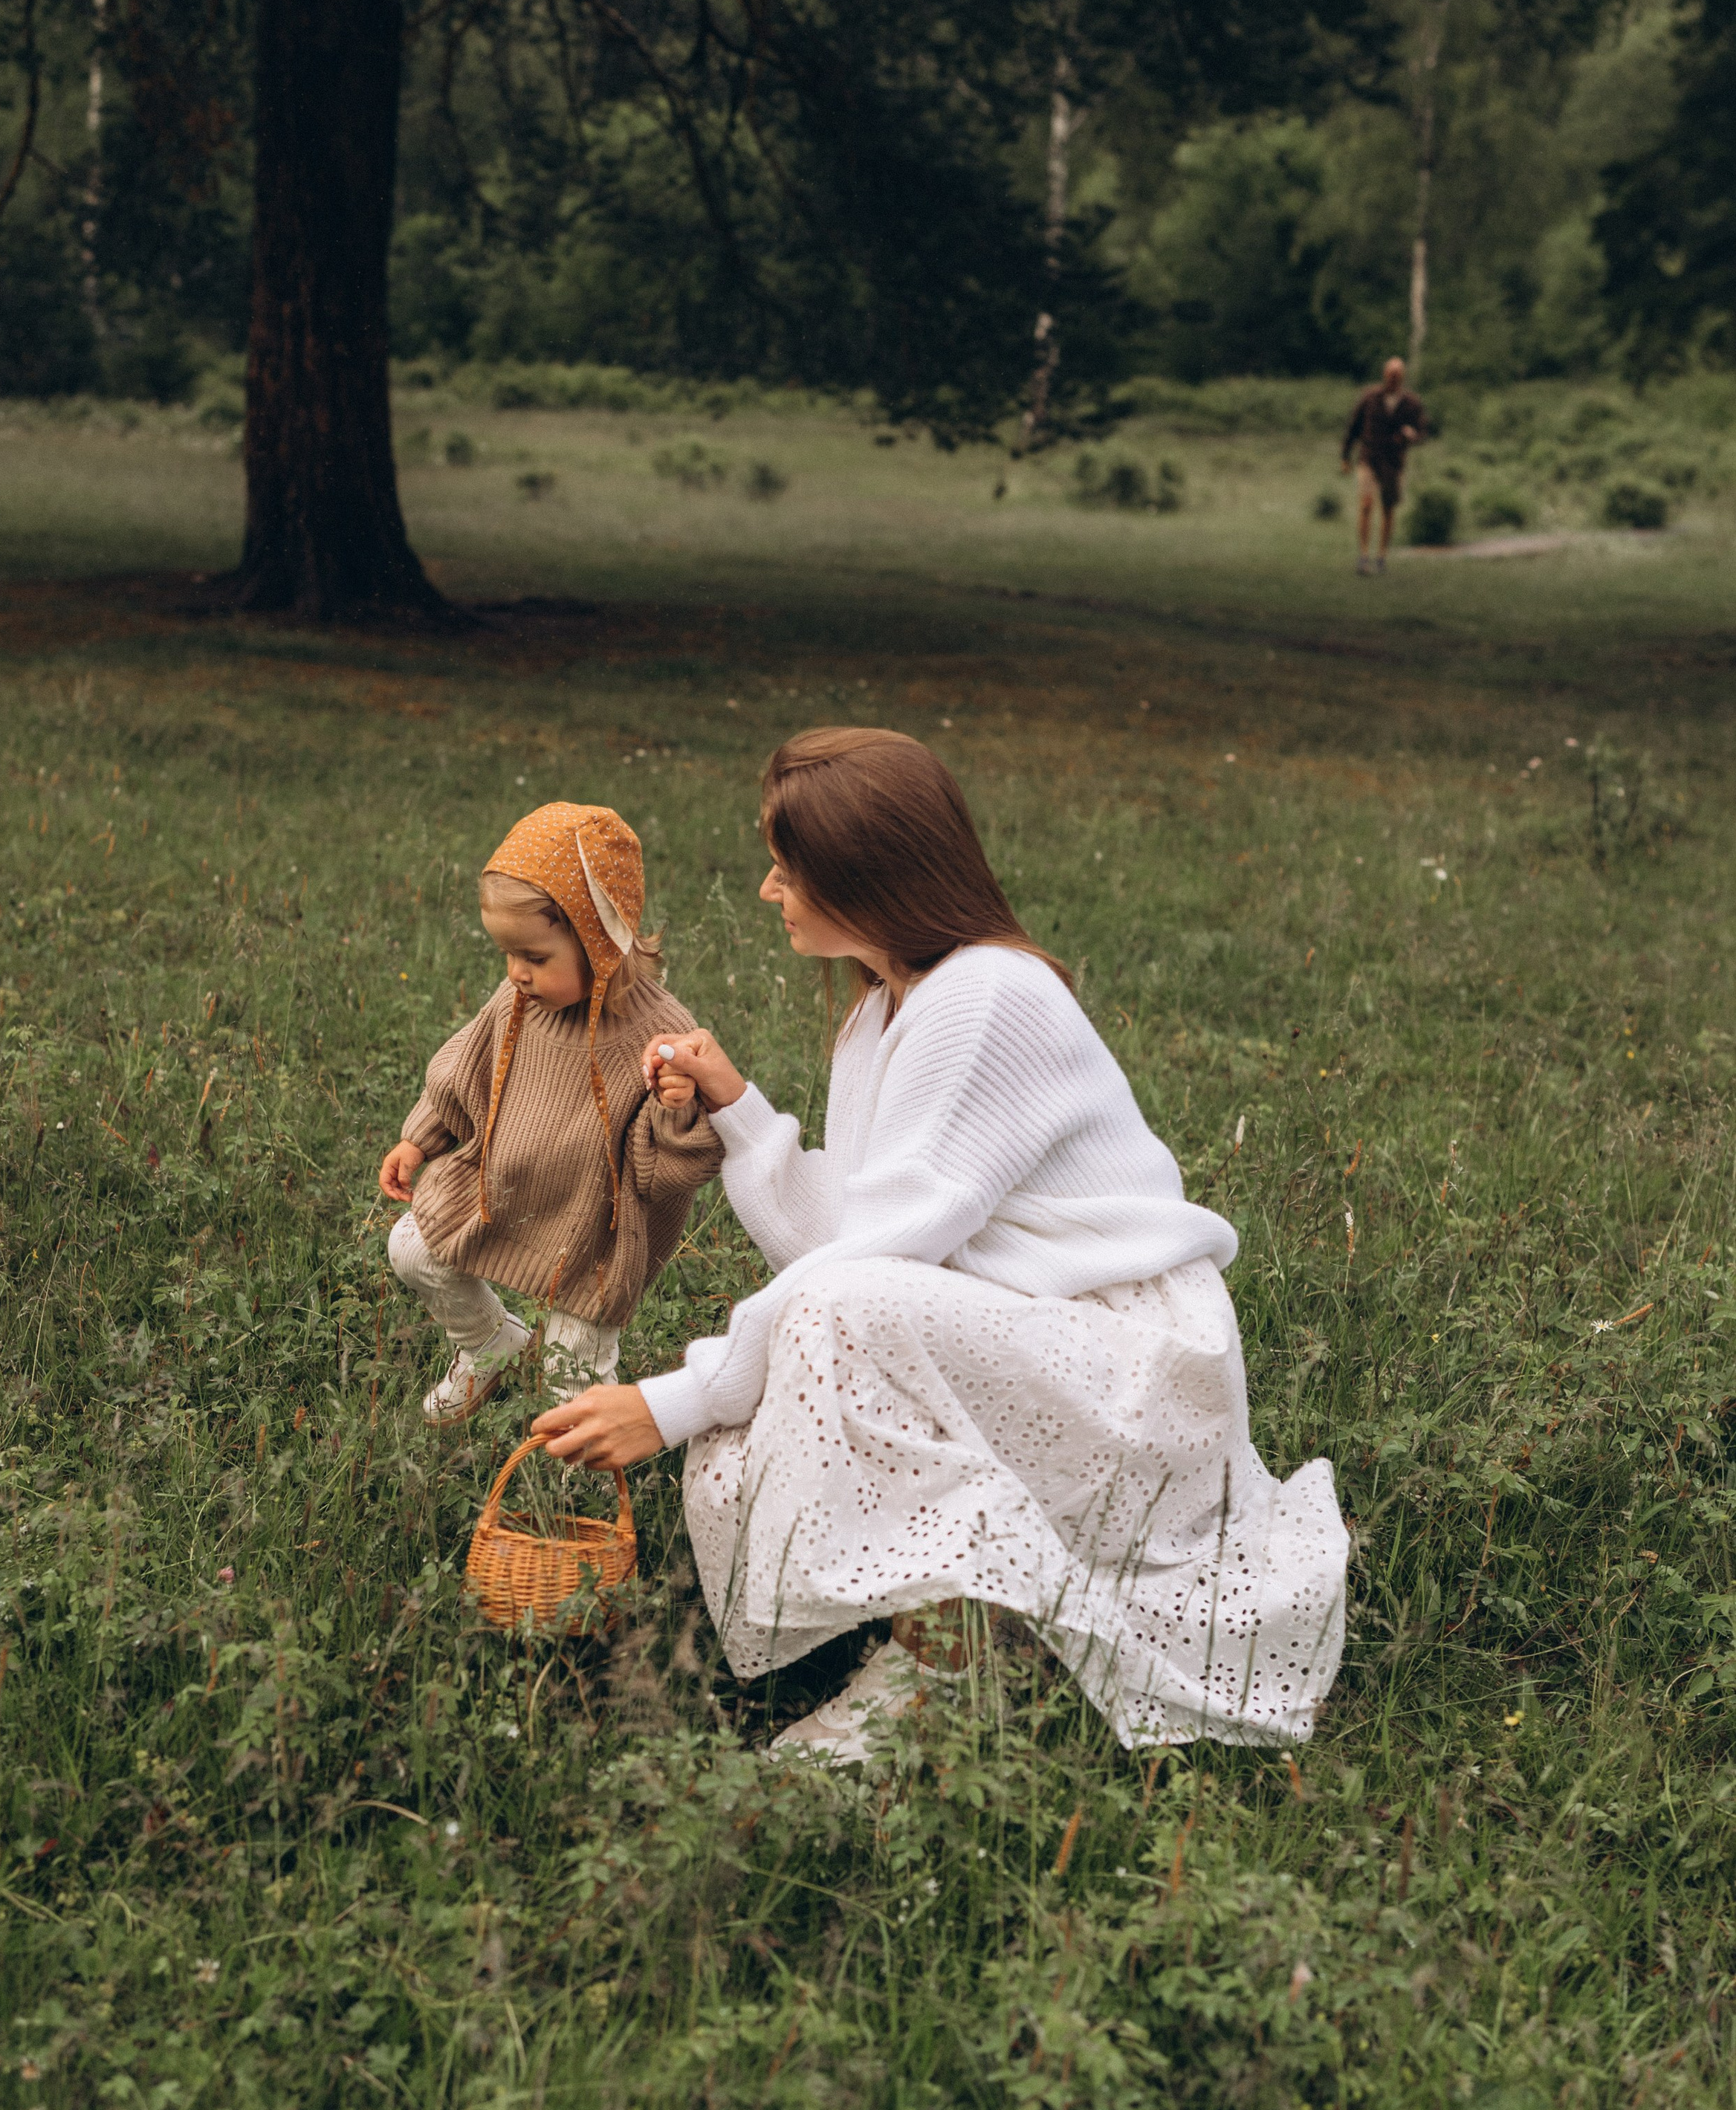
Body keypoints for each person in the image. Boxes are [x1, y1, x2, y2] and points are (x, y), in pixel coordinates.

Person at [537, 730, 1347, 1762]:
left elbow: (876, 1262)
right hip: (1043, 1333)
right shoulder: (883, 1010)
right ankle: (959, 1618)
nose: (765, 890)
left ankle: (949, 1670)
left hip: (1137, 1370)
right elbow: (853, 1234)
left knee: (827, 1326)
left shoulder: (985, 999)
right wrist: (741, 1114)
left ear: (863, 880)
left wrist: (675, 1398)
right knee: (809, 1347)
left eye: (788, 870)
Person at [378, 801, 722, 1419]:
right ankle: (490, 1345)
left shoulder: (662, 1035)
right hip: (501, 1190)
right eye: (508, 955)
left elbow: (669, 1169)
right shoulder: (515, 1004)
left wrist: (678, 1109)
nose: (517, 974)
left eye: (535, 958)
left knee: (576, 1376)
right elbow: (464, 1069)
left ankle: (577, 1482)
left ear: (601, 936)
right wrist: (421, 1140)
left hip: (590, 1233)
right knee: (412, 1248)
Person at [1341, 355, 1430, 574]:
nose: (1392, 379)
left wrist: (1413, 435)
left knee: (1388, 508)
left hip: (1393, 461)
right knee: (1366, 503)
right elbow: (1354, 426)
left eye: (1397, 376)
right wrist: (1345, 456)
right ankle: (1363, 556)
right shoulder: (1370, 397)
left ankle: (1381, 557)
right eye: (1390, 375)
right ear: (1384, 375)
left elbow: (1423, 433)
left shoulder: (1412, 403)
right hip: (1369, 457)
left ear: (1402, 377)